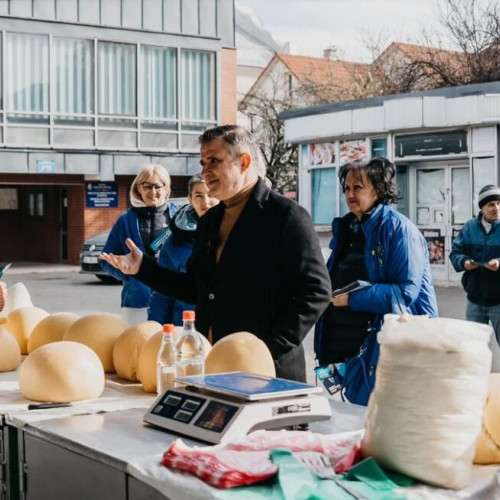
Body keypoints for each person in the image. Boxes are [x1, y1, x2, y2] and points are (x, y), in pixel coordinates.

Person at [101, 124, 331, 382]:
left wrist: (267, 348)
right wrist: (143, 268)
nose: (204, 171)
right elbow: (196, 287)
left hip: (269, 373)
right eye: (202, 162)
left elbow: (316, 292)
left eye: (214, 161)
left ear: (243, 162)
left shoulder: (286, 216)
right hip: (212, 368)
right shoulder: (210, 221)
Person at [315, 157, 438, 367]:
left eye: (358, 187)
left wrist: (352, 299)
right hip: (348, 344)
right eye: (346, 188)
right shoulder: (347, 228)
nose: (350, 194)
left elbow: (405, 292)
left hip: (393, 344)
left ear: (379, 190)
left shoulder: (399, 230)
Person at [100, 164, 177, 325]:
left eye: (157, 186)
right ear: (138, 188)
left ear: (166, 188)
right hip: (136, 303)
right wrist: (128, 274)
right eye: (147, 186)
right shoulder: (126, 220)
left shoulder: (178, 218)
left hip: (173, 299)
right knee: (135, 347)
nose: (152, 191)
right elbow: (104, 260)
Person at [147, 174, 219, 325]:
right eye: (198, 195)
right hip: (185, 327)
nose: (206, 201)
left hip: (224, 327)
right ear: (190, 199)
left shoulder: (234, 233)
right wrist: (155, 329)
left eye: (211, 194)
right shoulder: (174, 241)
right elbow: (162, 293)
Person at [450, 184, 500, 347]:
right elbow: (455, 253)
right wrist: (464, 262)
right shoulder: (469, 227)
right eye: (491, 204)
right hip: (475, 301)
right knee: (473, 348)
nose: (496, 208)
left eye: (499, 203)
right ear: (482, 207)